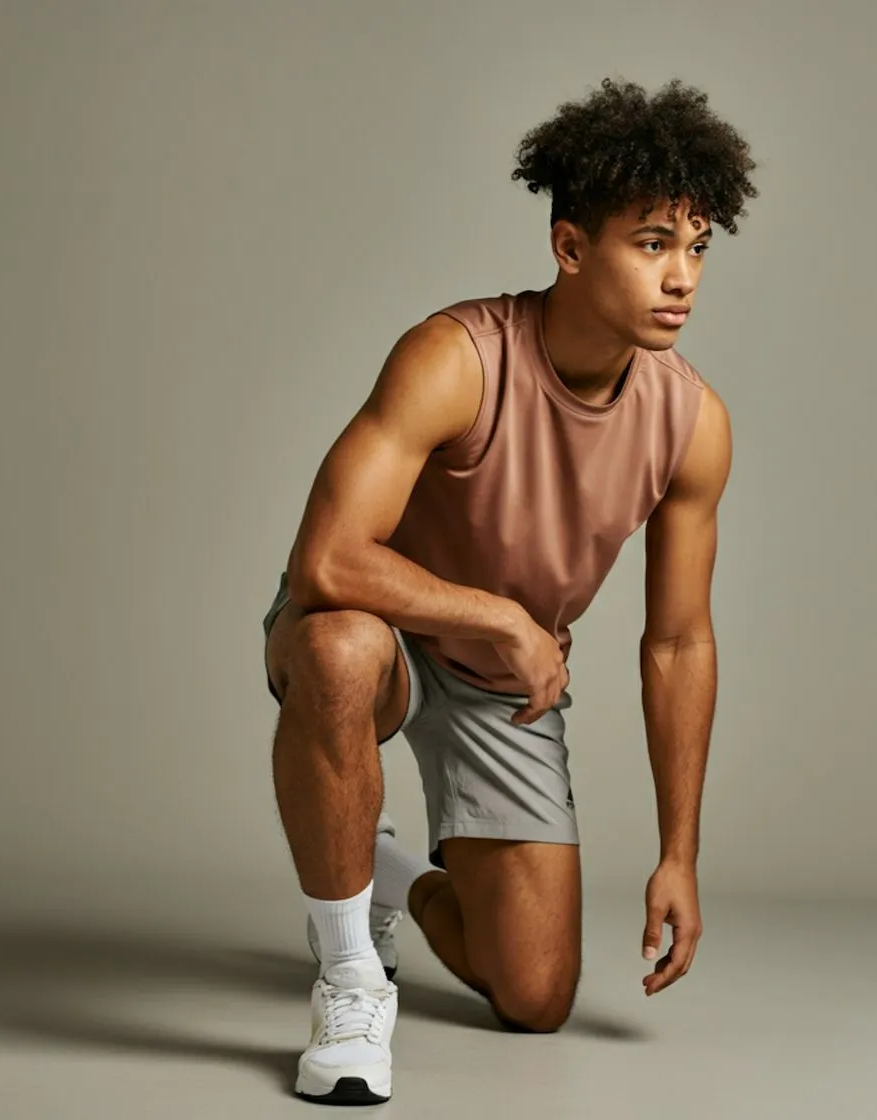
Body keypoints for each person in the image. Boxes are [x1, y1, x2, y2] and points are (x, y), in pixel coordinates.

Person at [262, 77, 757, 1105]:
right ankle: (349, 980)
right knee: (338, 649)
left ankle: (387, 872)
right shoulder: (456, 358)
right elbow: (327, 560)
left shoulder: (691, 423)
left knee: (534, 996)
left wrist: (679, 854)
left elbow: (678, 644)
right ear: (570, 246)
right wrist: (501, 617)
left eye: (698, 247)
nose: (682, 277)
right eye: (652, 243)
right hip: (385, 629)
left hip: (500, 683)